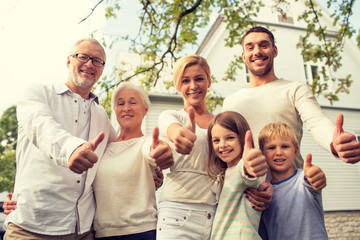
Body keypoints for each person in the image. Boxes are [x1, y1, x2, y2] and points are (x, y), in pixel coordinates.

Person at [4, 38, 118, 240]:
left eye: (98, 61)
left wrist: (151, 169)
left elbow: (121, 151)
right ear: (68, 61)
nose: (90, 64)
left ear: (101, 70)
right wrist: (71, 149)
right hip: (31, 227)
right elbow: (41, 126)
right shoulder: (38, 93)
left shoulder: (101, 115)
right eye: (83, 57)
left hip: (83, 231)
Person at [156, 54, 272, 240]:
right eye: (186, 80)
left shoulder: (221, 124)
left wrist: (261, 181)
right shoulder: (172, 116)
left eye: (199, 78)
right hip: (177, 213)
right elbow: (171, 128)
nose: (193, 86)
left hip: (214, 216)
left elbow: (237, 166)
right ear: (178, 85)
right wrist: (178, 135)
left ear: (209, 81)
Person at [222, 26, 360, 170]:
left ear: (274, 51)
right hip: (247, 189)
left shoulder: (294, 89)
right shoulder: (230, 103)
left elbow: (316, 121)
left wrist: (334, 142)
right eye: (250, 48)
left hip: (291, 187)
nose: (257, 51)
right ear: (244, 56)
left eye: (264, 45)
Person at [93, 82, 174, 240]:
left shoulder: (146, 142)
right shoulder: (103, 147)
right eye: (120, 103)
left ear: (145, 110)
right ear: (115, 110)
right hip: (102, 233)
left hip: (140, 232)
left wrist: (158, 152)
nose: (126, 108)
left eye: (133, 102)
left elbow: (152, 151)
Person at [257, 122, 328, 239]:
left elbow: (313, 179)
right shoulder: (263, 193)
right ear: (262, 153)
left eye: (285, 146)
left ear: (296, 151)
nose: (279, 152)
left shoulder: (304, 180)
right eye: (271, 147)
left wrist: (316, 176)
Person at [207, 111, 267, 239]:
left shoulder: (241, 169)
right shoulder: (224, 174)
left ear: (242, 138)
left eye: (230, 138)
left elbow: (248, 173)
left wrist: (250, 162)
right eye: (216, 140)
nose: (222, 145)